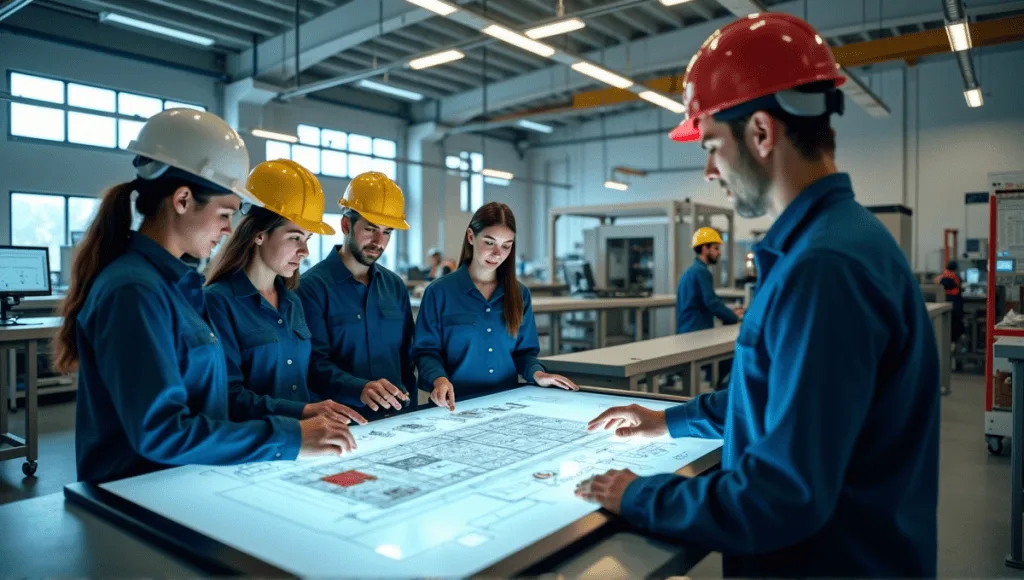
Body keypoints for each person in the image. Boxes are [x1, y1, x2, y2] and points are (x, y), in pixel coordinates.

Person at [575, 13, 939, 578]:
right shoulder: (831, 244)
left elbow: (781, 497)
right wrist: (666, 421)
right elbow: (774, 402)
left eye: (712, 145)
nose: (709, 169)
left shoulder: (823, 269)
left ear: (762, 134)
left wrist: (639, 495)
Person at [53, 110, 357, 484]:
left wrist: (296, 418)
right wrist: (289, 437)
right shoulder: (134, 291)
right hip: (138, 492)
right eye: (225, 213)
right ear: (183, 200)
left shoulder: (179, 288)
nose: (229, 229)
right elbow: (161, 431)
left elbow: (213, 401)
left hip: (187, 481)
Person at [204, 159, 367, 428]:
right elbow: (226, 396)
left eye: (307, 239)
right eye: (294, 237)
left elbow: (305, 374)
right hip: (259, 443)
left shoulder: (292, 301)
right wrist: (301, 411)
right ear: (259, 234)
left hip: (304, 440)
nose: (304, 252)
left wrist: (356, 390)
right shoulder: (218, 302)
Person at [412, 202, 578, 411]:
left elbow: (524, 353)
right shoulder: (439, 292)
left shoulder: (519, 294)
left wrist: (538, 374)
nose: (497, 253)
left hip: (504, 405)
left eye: (506, 246)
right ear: (471, 237)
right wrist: (439, 380)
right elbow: (426, 352)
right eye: (490, 243)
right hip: (454, 407)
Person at [297, 171, 414, 419]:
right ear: (346, 225)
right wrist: (358, 388)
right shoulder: (311, 288)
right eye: (370, 229)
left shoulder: (395, 287)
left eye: (387, 232)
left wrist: (411, 411)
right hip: (341, 423)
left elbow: (406, 358)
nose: (379, 241)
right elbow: (312, 363)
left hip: (395, 419)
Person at [676, 227, 743, 334]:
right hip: (696, 331)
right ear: (705, 249)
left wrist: (730, 312)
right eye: (716, 248)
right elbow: (712, 303)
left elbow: (709, 300)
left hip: (687, 330)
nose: (719, 253)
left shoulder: (691, 270)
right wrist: (734, 317)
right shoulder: (701, 272)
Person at [935, 260, 966, 346]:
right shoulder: (955, 277)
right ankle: (956, 342)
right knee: (956, 325)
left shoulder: (943, 277)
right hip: (955, 305)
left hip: (946, 304)